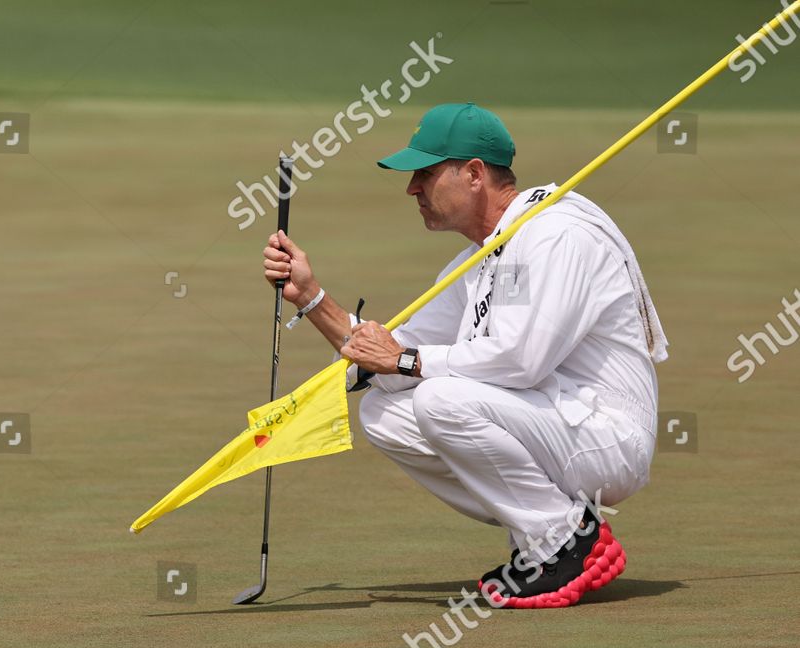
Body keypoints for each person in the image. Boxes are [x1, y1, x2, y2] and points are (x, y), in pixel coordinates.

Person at [262, 103, 667, 608]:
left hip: (607, 437)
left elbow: (521, 361)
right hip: (552, 425)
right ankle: (545, 534)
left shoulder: (555, 234)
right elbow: (386, 359)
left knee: (440, 399)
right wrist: (313, 298)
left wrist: (408, 361)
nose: (412, 189)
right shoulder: (478, 260)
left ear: (474, 173)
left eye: (426, 173)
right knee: (385, 412)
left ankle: (566, 542)